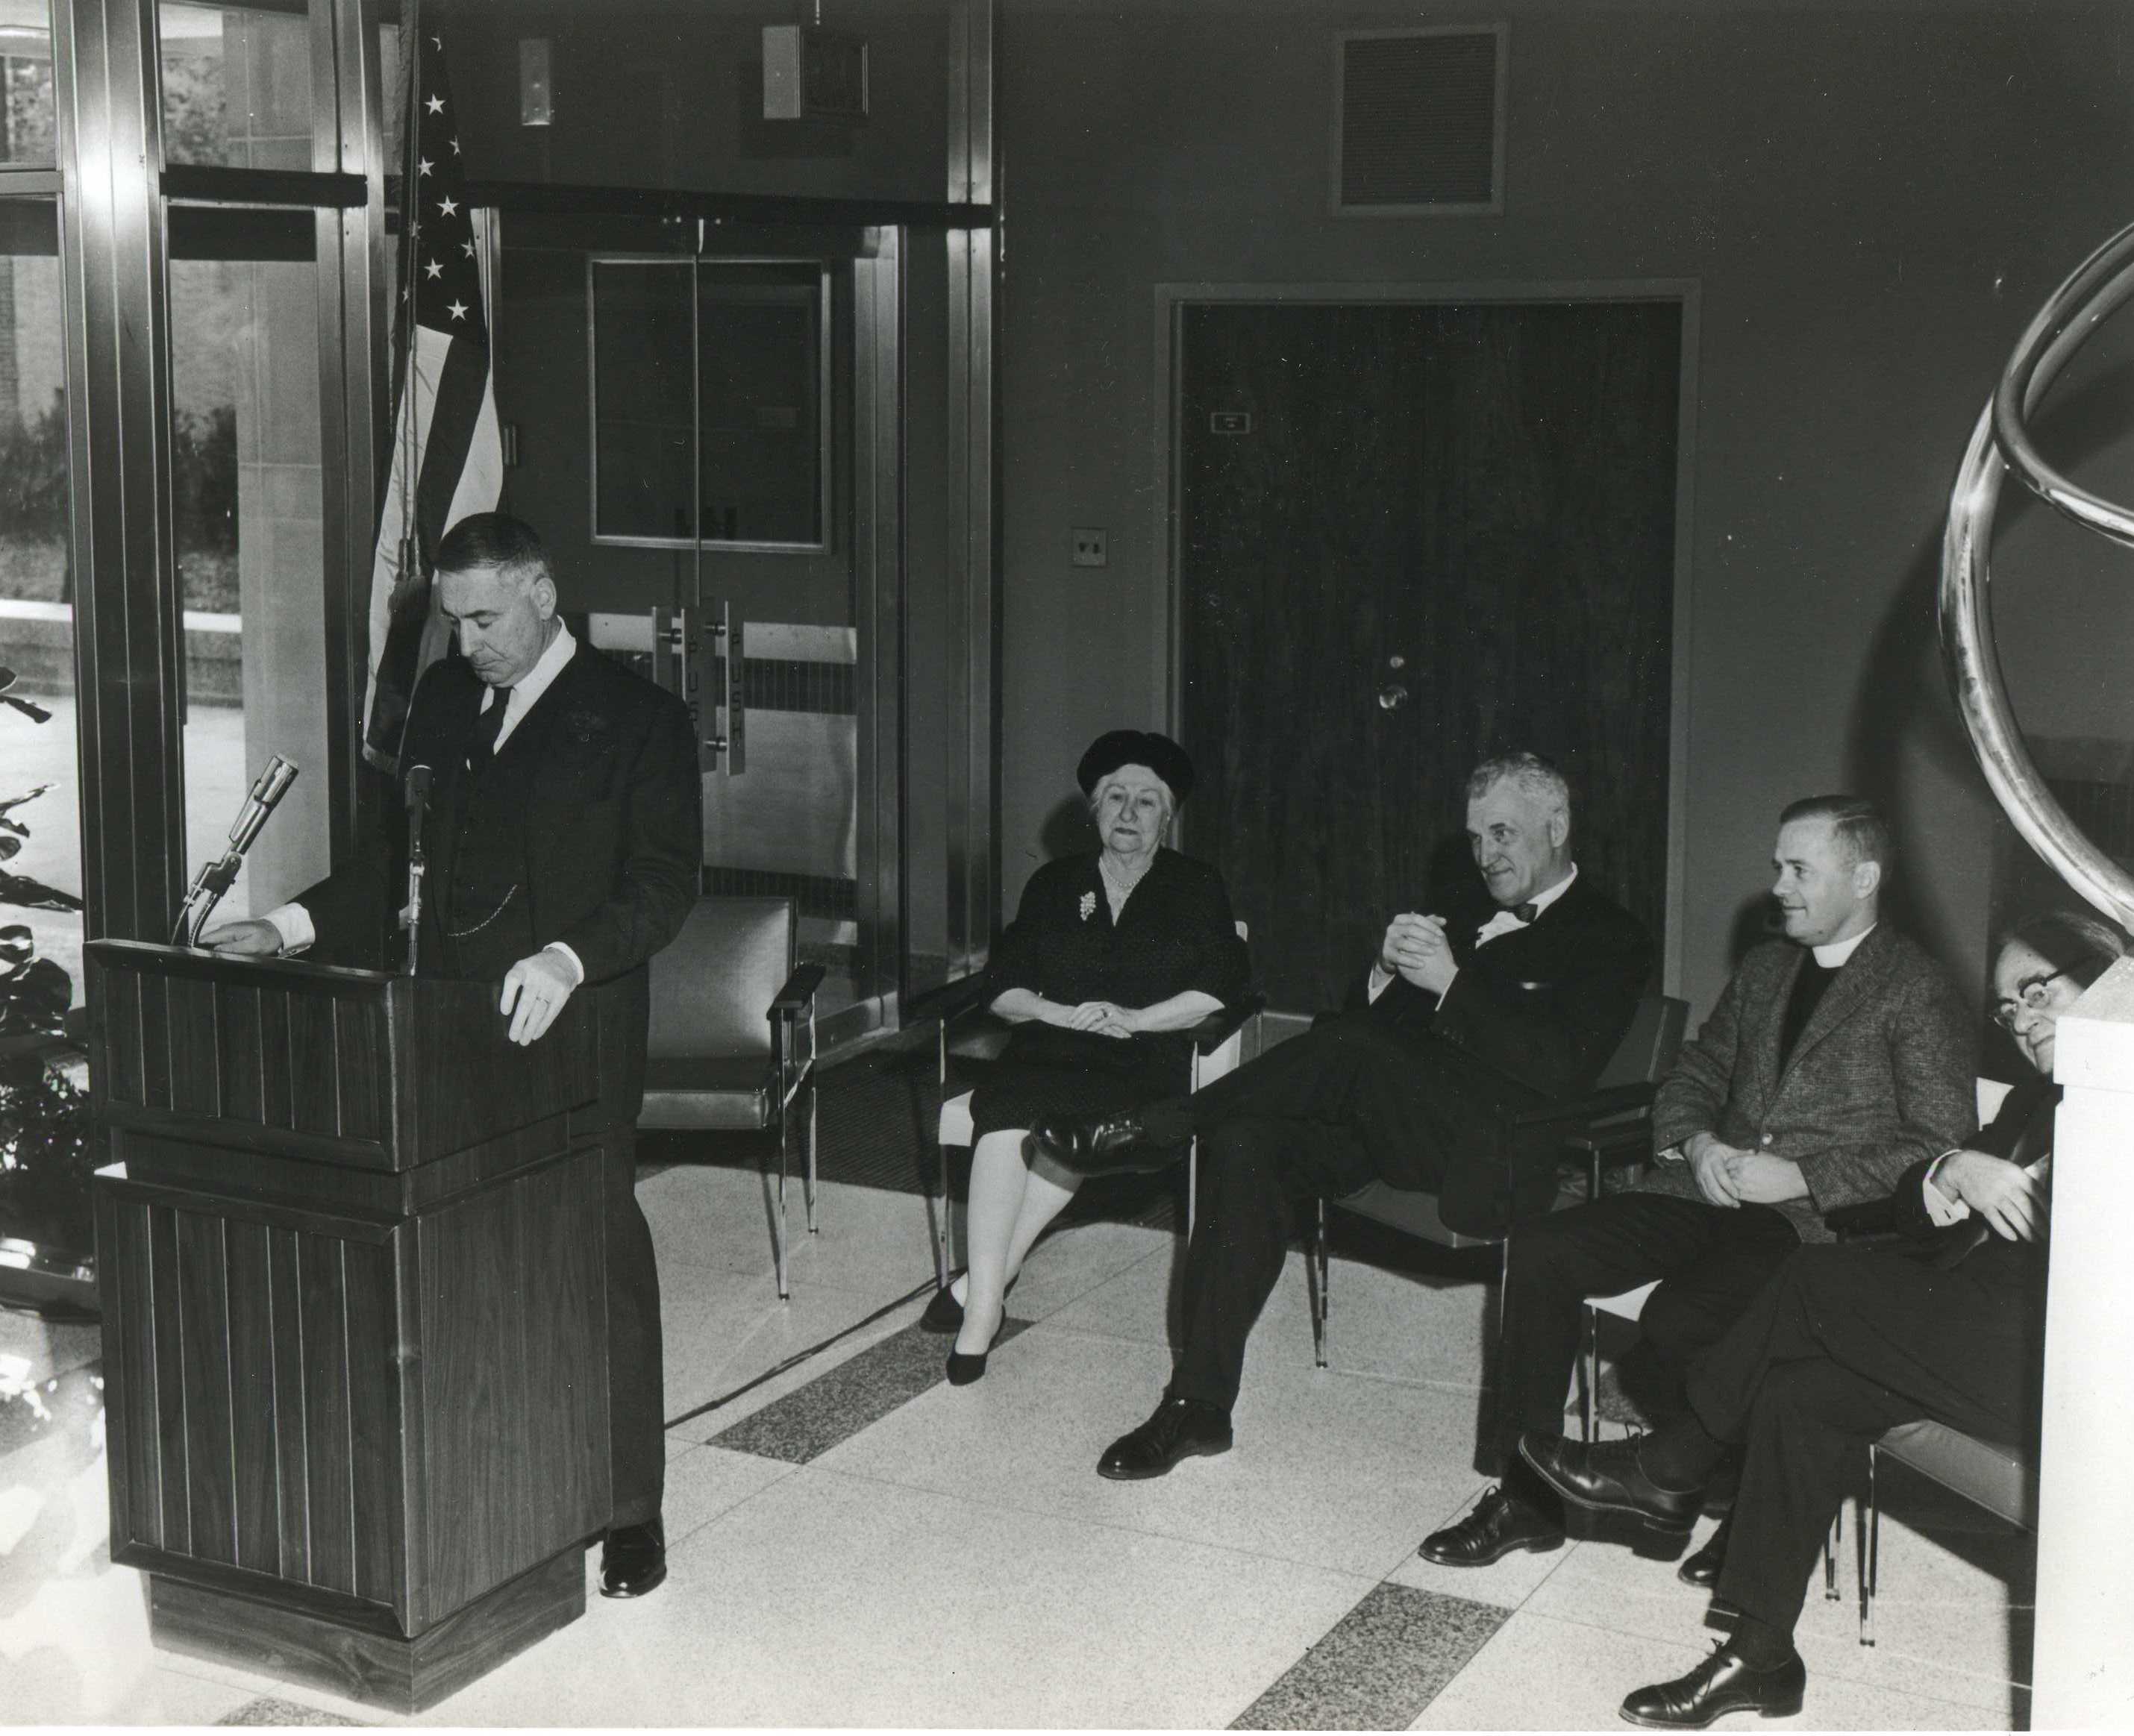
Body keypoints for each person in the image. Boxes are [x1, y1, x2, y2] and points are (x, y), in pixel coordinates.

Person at [203, 512, 698, 1601]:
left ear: (539, 590)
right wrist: (286, 924)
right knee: (454, 1253)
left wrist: (571, 958)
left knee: (593, 1250)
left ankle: (630, 1510)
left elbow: (664, 885)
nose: (468, 639)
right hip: (441, 1021)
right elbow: (394, 861)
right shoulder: (439, 698)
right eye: (454, 618)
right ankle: (482, 1479)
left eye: (485, 617)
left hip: (572, 1024)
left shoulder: (637, 718)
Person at [1516, 908, 2124, 1729]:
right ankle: (1760, 1652)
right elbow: (1908, 1215)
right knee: (1806, 1389)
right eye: (2008, 1008)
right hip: (1982, 1337)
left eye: (2038, 990)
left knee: (1811, 1278)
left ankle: (1667, 1466)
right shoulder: (2032, 1101)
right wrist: (1952, 1170)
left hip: (2084, 1371)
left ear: (2118, 973)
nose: (2021, 1019)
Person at [1035, 751, 1651, 1478]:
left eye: (1503, 834)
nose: (1486, 855)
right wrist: (1386, 974)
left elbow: (1558, 1070)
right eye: (1476, 838)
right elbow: (1355, 1031)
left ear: (1556, 825)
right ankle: (1197, 1404)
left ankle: (1156, 1127)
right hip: (1391, 1126)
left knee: (1347, 1052)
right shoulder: (1463, 905)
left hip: (1497, 1149)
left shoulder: (1611, 933)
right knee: (1244, 1138)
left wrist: (1451, 983)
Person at [1421, 795, 1975, 1575]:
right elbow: (1695, 1070)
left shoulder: (1917, 988)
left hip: (1809, 1224)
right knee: (1540, 1248)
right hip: (1703, 1189)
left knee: (1683, 1315)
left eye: (1798, 869)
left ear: (1864, 877)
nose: (1778, 886)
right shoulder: (1765, 967)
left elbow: (1939, 1142)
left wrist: (1804, 1175)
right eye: (1777, 866)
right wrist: (1698, 1138)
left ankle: (1744, 1502)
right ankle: (1526, 1498)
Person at [921, 729, 1251, 1382]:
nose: (1128, 814)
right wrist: (1059, 1012)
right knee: (1007, 1113)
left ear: (1168, 817)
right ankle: (984, 1308)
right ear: (1094, 810)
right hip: (1050, 1046)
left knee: (1066, 1124)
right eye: (1115, 797)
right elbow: (1005, 987)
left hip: (1143, 1055)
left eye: (1146, 802)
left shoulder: (1195, 885)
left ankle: (991, 1275)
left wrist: (1132, 1017)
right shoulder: (1054, 883)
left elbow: (1220, 987)